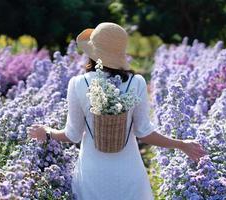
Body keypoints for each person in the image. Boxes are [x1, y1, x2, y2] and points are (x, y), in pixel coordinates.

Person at [28, 22, 206, 200]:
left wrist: (47, 132)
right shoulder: (136, 82)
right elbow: (144, 133)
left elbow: (72, 135)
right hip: (130, 174)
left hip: (92, 175)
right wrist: (181, 144)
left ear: (92, 53)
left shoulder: (77, 83)